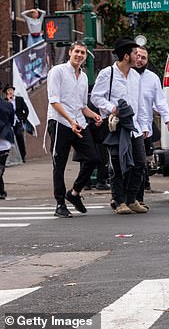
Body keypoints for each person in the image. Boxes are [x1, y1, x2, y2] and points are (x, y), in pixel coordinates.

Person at [91, 37, 148, 215]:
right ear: (126, 56)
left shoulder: (136, 77)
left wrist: (144, 124)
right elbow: (96, 97)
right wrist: (111, 108)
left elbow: (140, 103)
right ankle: (119, 200)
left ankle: (132, 199)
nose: (137, 57)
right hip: (115, 127)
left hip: (134, 127)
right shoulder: (107, 74)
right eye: (134, 54)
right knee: (117, 165)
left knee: (139, 164)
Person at [46, 41, 102, 217]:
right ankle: (60, 204)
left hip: (78, 121)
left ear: (85, 57)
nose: (79, 55)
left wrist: (94, 115)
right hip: (60, 122)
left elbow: (82, 106)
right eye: (76, 51)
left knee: (93, 158)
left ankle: (75, 192)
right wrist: (70, 121)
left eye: (83, 53)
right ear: (70, 53)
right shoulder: (58, 71)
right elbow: (54, 101)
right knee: (59, 164)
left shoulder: (84, 77)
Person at [132, 45, 169, 207]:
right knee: (124, 165)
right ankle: (119, 198)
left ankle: (138, 199)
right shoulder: (122, 75)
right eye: (138, 56)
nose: (140, 60)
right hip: (125, 127)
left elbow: (160, 102)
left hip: (144, 128)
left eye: (143, 58)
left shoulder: (152, 78)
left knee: (141, 164)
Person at [4, 85, 29, 162]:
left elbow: (26, 110)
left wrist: (22, 118)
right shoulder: (4, 101)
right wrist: (8, 102)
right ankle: (10, 158)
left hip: (18, 122)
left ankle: (23, 155)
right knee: (9, 140)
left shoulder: (19, 99)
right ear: (6, 93)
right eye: (8, 90)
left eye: (11, 90)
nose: (10, 92)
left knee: (19, 136)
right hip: (9, 123)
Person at [0, 96, 14, 199]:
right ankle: (1, 191)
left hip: (4, 140)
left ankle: (1, 191)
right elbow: (12, 121)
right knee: (1, 165)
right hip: (5, 139)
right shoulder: (8, 105)